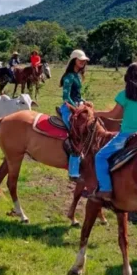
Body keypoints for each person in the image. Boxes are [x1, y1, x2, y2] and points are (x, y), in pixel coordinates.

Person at [91, 63, 137, 202]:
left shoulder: (124, 95)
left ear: (127, 77)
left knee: (100, 157)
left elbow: (113, 115)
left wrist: (96, 113)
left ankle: (105, 189)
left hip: (127, 136)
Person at [59, 49, 90, 180]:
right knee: (76, 134)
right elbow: (66, 97)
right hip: (69, 108)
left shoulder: (77, 75)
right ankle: (73, 172)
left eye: (84, 60)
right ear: (74, 60)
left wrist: (83, 101)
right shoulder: (69, 76)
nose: (83, 62)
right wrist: (76, 107)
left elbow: (77, 94)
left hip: (78, 106)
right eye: (80, 59)